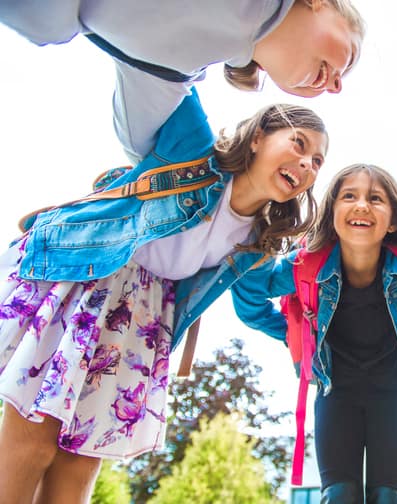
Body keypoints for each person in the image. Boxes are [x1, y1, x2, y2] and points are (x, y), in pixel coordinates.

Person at [0, 87, 329, 503]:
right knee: (34, 439)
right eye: (299, 144)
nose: (307, 164)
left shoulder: (256, 242)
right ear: (259, 136)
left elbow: (260, 293)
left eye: (317, 161)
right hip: (90, 285)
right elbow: (164, 76)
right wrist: (240, 41)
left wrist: (338, 257)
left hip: (138, 327)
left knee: (80, 461)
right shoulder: (193, 152)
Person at [232, 164, 397, 503]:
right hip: (335, 396)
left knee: (389, 498)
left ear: (392, 221)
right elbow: (249, 297)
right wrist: (293, 336)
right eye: (349, 196)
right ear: (331, 215)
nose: (361, 205)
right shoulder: (306, 266)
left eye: (375, 198)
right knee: (339, 496)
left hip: (393, 396)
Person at [0, 0, 365, 161]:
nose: (336, 87)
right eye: (347, 58)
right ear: (320, 2)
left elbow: (140, 144)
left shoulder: (172, 73)